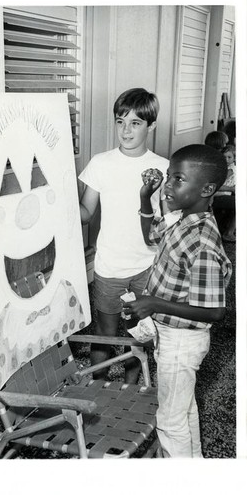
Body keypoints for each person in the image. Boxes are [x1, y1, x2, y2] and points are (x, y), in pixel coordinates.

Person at [123, 144, 232, 457]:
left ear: (207, 189)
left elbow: (215, 311)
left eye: (178, 179)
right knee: (183, 410)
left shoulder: (203, 244)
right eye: (169, 176)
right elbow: (150, 235)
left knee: (169, 421)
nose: (168, 185)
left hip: (183, 342)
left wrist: (155, 304)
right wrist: (146, 196)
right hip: (170, 335)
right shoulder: (182, 219)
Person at [78, 88, 169, 382]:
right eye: (120, 122)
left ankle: (133, 388)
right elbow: (85, 213)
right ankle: (97, 385)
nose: (126, 130)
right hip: (109, 265)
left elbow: (167, 224)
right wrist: (56, 199)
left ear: (151, 125)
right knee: (104, 332)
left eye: (135, 123)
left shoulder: (164, 168)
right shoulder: (100, 163)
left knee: (138, 332)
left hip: (147, 265)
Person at [213, 144, 236, 241]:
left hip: (224, 192)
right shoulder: (228, 169)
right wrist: (231, 189)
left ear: (234, 158)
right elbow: (218, 183)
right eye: (224, 157)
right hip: (221, 193)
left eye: (229, 157)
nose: (226, 160)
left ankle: (229, 229)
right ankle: (229, 232)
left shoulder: (231, 168)